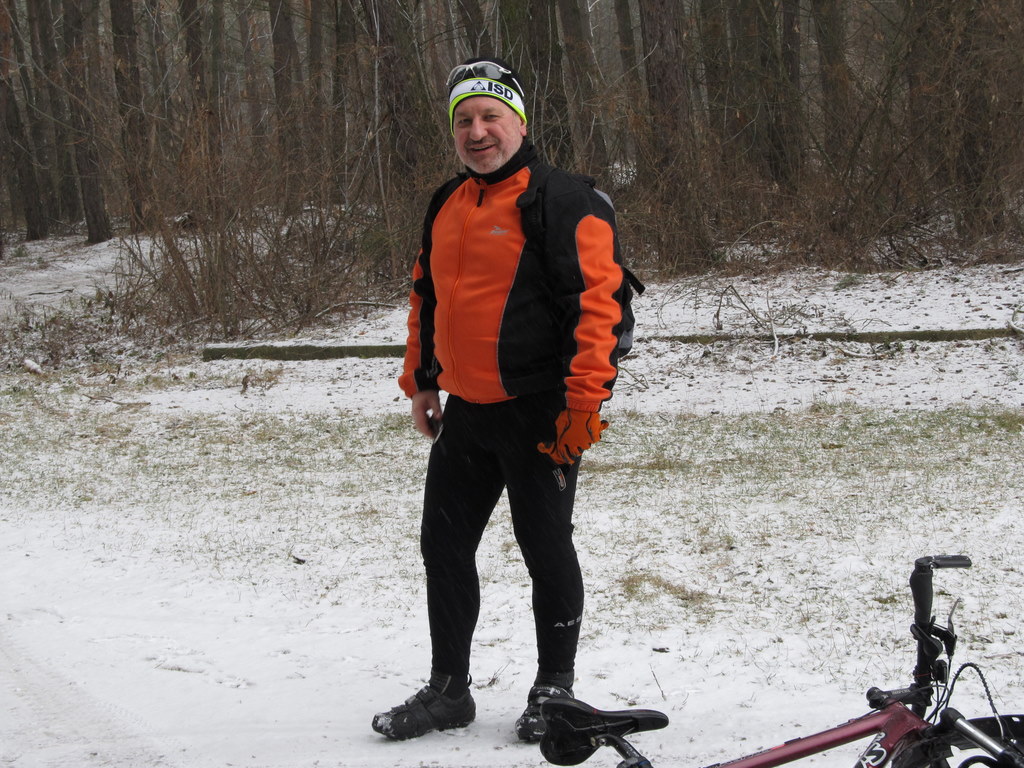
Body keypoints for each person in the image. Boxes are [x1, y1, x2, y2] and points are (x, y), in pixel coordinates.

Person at [371, 56, 629, 743]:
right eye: (464, 120)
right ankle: (448, 691)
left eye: (490, 116)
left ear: (519, 122)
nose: (477, 131)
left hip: (542, 412)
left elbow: (598, 309)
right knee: (444, 546)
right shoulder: (447, 202)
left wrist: (584, 407)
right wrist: (422, 381)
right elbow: (426, 295)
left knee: (545, 547)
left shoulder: (563, 200)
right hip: (468, 414)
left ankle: (554, 691)